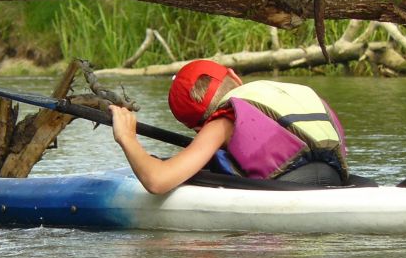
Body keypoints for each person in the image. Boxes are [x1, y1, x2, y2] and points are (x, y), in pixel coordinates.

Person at [109, 59, 350, 194]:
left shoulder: (223, 121)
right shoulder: (292, 91)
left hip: (291, 191)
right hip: (336, 181)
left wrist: (127, 138)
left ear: (197, 128)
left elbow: (157, 181)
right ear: (234, 76)